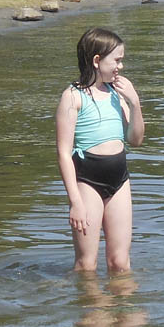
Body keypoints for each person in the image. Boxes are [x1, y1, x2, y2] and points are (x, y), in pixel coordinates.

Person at [55, 28, 145, 273]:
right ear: (97, 60)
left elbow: (135, 140)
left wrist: (135, 103)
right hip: (87, 181)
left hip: (119, 179)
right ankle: (89, 299)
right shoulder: (73, 97)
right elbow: (63, 153)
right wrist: (75, 202)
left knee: (120, 262)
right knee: (86, 264)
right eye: (117, 60)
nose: (121, 66)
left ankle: (125, 299)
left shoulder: (117, 94)